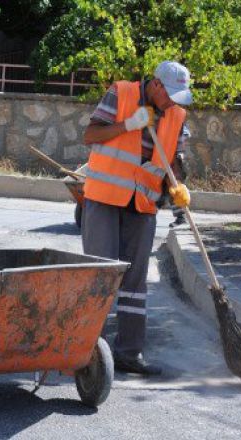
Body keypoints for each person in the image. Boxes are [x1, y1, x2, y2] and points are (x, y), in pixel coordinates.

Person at [81, 61, 193, 376]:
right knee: (101, 275)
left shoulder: (177, 115)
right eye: (169, 94)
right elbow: (90, 135)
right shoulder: (121, 93)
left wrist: (178, 187)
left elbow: (174, 161)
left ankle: (130, 352)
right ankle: (90, 352)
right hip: (104, 198)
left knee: (134, 283)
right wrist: (129, 125)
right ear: (155, 84)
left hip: (142, 205)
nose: (172, 102)